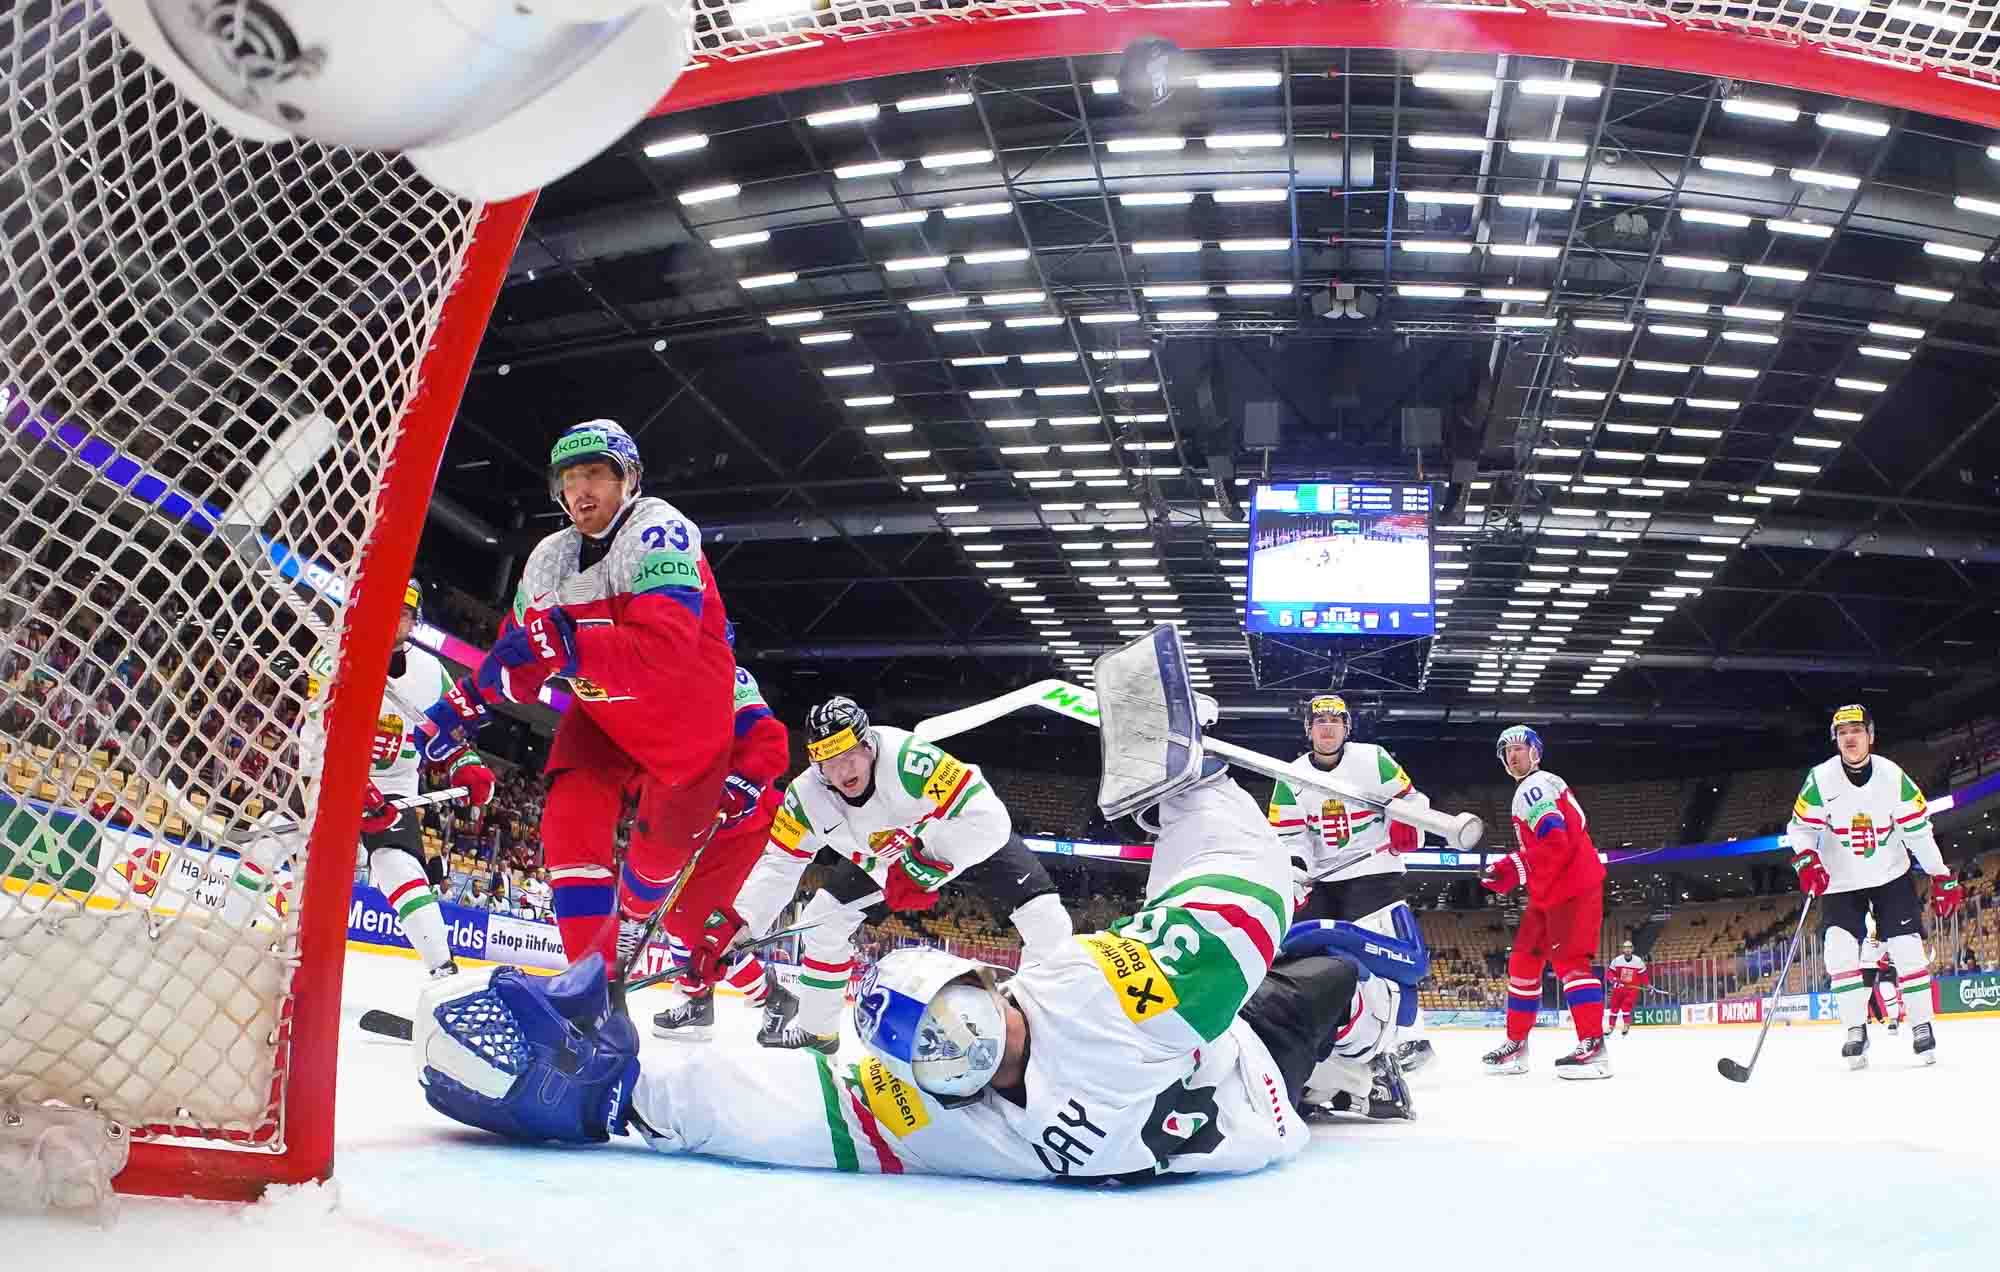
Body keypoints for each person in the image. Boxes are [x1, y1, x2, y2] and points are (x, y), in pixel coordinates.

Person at [411, 625, 1425, 1175]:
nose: (968, 1051)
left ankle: (1354, 1041)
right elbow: (1242, 894)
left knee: (1015, 915)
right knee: (1323, 970)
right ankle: (1357, 1055)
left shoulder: (932, 1119)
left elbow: (780, 1115)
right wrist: (1190, 791)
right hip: (1251, 1081)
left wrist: (621, 1098)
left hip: (958, 842)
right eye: (952, 1043)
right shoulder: (1088, 1002)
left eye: (955, 1028)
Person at [418, 420, 737, 972]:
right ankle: (589, 981)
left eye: (594, 474)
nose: (580, 490)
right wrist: (463, 706)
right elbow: (515, 653)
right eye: (568, 479)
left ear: (629, 479)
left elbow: (662, 654)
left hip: (686, 728)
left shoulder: (660, 529)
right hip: (604, 717)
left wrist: (561, 645)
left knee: (654, 867)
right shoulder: (549, 557)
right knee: (567, 821)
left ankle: (636, 917)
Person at [700, 696, 1074, 1053]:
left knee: (1047, 922)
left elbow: (987, 818)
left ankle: (1046, 1033)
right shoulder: (804, 799)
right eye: (829, 761)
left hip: (957, 835)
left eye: (849, 754)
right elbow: (780, 865)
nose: (843, 770)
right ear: (816, 764)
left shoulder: (909, 759)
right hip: (884, 860)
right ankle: (818, 1030)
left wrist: (922, 867)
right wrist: (738, 927)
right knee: (822, 924)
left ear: (868, 745)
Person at [296, 579, 495, 978]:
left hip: (394, 787)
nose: (394, 621)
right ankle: (228, 935)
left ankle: (443, 970)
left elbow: (448, 735)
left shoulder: (432, 673)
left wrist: (465, 764)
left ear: (414, 621)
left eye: (403, 614)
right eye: (387, 610)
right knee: (274, 845)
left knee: (400, 866)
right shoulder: (334, 654)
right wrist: (349, 784)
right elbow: (316, 730)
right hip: (323, 776)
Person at [1266, 694, 1436, 1072]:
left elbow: (1411, 800)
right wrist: (1296, 872)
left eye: (1335, 721)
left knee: (1386, 947)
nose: (1327, 728)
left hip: (1375, 868)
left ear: (1346, 728)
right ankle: (1325, 1037)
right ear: (1309, 729)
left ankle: (1412, 1038)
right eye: (1320, 721)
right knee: (1305, 952)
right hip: (1321, 879)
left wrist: (1408, 822)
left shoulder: (1374, 759)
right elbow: (1290, 837)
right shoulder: (1291, 776)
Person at [1787, 704, 1957, 1068]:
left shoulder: (1892, 777)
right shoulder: (1820, 779)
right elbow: (1800, 829)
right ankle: (1855, 1030)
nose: (1850, 738)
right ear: (1836, 739)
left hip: (1889, 874)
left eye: (1857, 730)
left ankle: (1922, 1025)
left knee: (1907, 948)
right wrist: (1807, 859)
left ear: (1871, 735)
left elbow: (1919, 832)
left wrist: (1940, 874)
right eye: (1843, 732)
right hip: (1840, 880)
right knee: (1838, 951)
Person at [650, 657, 791, 1040]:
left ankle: (773, 998)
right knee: (674, 915)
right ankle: (697, 1000)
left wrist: (743, 782)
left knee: (697, 920)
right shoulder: (656, 673)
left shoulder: (729, 677)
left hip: (741, 817)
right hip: (696, 815)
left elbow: (768, 743)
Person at [1478, 724, 1610, 1079]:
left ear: (1535, 753)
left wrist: (1512, 867)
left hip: (1572, 886)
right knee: (1523, 962)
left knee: (1571, 963)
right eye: (1507, 751)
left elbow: (1555, 842)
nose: (1513, 755)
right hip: (1548, 891)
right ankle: (1516, 1045)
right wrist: (1514, 869)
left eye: (1519, 748)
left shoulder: (1534, 786)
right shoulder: (1537, 786)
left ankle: (1595, 1048)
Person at [1858, 918, 1903, 1034]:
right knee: (1864, 994)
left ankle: (1893, 1018)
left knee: (1886, 987)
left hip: (1886, 952)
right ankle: (1859, 1023)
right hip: (1868, 957)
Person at [1605, 939, 1648, 1037]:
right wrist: (1614, 980)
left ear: (1632, 949)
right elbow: (1610, 973)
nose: (1627, 949)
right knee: (1614, 1008)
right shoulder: (1617, 960)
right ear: (1623, 949)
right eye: (1625, 948)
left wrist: (1647, 984)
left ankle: (1626, 1025)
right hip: (1618, 989)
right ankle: (1611, 1026)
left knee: (1626, 1007)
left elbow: (1643, 975)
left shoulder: (1638, 961)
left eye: (1629, 947)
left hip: (1631, 990)